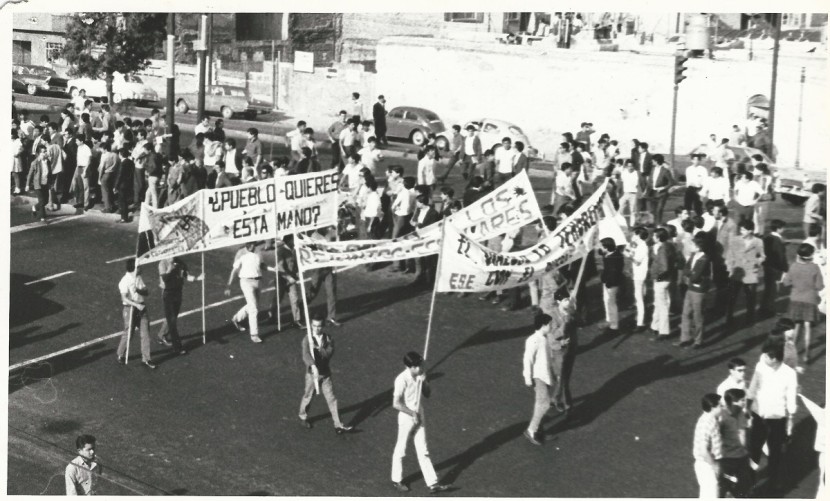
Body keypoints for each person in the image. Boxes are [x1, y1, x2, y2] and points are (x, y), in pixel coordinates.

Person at [391, 351, 450, 493]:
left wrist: (425, 381)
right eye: (416, 366)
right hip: (406, 417)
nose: (419, 368)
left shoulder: (420, 375)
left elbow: (428, 394)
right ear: (408, 366)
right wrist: (412, 414)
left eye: (420, 365)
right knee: (401, 449)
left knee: (423, 450)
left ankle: (433, 483)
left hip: (419, 413)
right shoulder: (401, 380)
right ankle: (396, 480)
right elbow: (396, 404)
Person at [747, 340, 798, 492]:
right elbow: (752, 387)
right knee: (754, 450)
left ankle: (773, 482)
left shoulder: (790, 374)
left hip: (777, 419)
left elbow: (791, 400)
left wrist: (790, 425)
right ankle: (750, 479)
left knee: (775, 452)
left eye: (766, 356)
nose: (763, 357)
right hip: (759, 416)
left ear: (774, 358)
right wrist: (748, 410)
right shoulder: (760, 366)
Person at [298, 312, 352, 434]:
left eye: (319, 326)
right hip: (312, 374)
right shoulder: (307, 339)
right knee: (308, 396)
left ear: (323, 326)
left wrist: (318, 350)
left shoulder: (328, 339)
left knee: (332, 398)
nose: (316, 329)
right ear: (311, 325)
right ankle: (303, 416)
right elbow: (305, 354)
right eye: (314, 326)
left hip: (325, 374)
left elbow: (328, 353)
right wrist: (313, 365)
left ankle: (338, 424)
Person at [782, 243, 824, 365]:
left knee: (796, 327)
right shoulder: (815, 267)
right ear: (810, 255)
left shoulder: (794, 266)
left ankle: (791, 353)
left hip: (795, 299)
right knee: (807, 328)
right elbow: (819, 286)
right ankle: (806, 355)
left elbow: (786, 282)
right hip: (810, 300)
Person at [156, 257, 202, 356]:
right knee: (172, 321)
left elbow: (187, 276)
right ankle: (178, 347)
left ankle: (161, 335)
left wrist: (198, 278)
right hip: (168, 293)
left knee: (172, 318)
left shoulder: (180, 262)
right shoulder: (163, 263)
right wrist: (170, 268)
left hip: (178, 292)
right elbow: (165, 278)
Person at [116, 259, 156, 369]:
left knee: (145, 334)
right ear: (134, 269)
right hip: (130, 309)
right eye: (139, 266)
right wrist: (136, 305)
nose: (141, 268)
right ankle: (120, 354)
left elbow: (146, 292)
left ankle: (146, 359)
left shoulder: (138, 278)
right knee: (129, 333)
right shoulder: (124, 281)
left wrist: (138, 290)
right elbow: (124, 298)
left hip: (141, 307)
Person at [724, 220, 765, 326]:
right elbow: (729, 256)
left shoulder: (758, 242)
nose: (741, 232)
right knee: (732, 297)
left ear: (750, 230)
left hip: (751, 273)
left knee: (750, 298)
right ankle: (729, 319)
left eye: (744, 230)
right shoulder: (735, 240)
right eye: (741, 229)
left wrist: (756, 262)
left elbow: (762, 256)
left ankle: (749, 320)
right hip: (737, 272)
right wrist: (729, 269)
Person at [225, 242, 267, 343]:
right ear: (249, 247)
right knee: (253, 309)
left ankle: (236, 318)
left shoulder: (258, 256)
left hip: (257, 281)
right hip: (246, 282)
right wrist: (228, 285)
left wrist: (274, 269)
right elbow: (234, 271)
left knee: (253, 305)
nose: (254, 247)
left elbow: (263, 267)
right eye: (252, 245)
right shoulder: (242, 256)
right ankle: (254, 334)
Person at [522, 313, 554, 446]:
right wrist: (527, 377)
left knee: (540, 403)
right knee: (545, 404)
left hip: (545, 375)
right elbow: (527, 359)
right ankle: (531, 430)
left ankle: (538, 430)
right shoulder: (534, 340)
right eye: (549, 324)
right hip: (539, 377)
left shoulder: (544, 338)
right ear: (543, 325)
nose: (551, 326)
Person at [677, 235, 710, 348]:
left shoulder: (704, 259)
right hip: (691, 288)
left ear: (698, 247)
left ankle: (698, 340)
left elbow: (695, 276)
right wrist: (691, 273)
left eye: (692, 244)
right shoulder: (693, 256)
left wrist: (690, 274)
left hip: (699, 291)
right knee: (686, 313)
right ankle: (685, 338)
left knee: (698, 316)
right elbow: (686, 269)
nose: (690, 246)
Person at [719, 388, 753, 498]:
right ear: (734, 402)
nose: (744, 403)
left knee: (744, 485)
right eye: (742, 400)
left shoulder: (741, 414)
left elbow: (742, 434)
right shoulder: (721, 416)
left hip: (741, 457)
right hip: (727, 458)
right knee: (723, 488)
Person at [693, 393, 723, 498]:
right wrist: (714, 466)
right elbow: (703, 451)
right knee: (711, 496)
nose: (722, 408)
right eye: (720, 406)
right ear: (712, 407)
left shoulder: (712, 420)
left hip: (709, 463)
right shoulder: (706, 423)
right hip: (706, 465)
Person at [308, 227, 340, 326]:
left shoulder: (333, 233)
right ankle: (301, 307)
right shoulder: (313, 236)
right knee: (313, 292)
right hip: (318, 268)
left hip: (329, 267)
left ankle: (331, 317)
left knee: (331, 293)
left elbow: (338, 247)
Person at [649, 228, 675, 341]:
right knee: (660, 303)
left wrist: (657, 278)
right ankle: (655, 326)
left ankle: (663, 331)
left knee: (662, 305)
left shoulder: (662, 249)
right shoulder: (668, 246)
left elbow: (664, 267)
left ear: (658, 237)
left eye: (654, 235)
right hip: (666, 279)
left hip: (661, 280)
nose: (653, 237)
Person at [625, 227, 650, 332]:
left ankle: (640, 323)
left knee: (639, 299)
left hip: (640, 276)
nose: (633, 236)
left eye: (635, 234)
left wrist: (628, 256)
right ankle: (638, 319)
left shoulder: (643, 247)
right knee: (639, 298)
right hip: (638, 275)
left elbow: (637, 261)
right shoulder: (639, 245)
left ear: (639, 235)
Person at [761, 219, 788, 314]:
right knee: (773, 290)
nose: (784, 229)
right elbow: (780, 256)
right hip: (776, 268)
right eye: (783, 228)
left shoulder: (767, 237)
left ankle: (764, 308)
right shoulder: (778, 240)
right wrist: (785, 269)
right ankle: (770, 309)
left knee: (768, 288)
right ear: (778, 229)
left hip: (768, 266)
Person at [600, 237, 624, 335]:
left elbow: (614, 272)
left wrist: (609, 282)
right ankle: (610, 321)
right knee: (607, 301)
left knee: (611, 303)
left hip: (611, 283)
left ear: (606, 247)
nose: (600, 248)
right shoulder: (612, 255)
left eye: (602, 246)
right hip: (609, 282)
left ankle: (614, 326)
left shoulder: (613, 258)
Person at [25, 144, 51, 222]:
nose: (45, 153)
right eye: (43, 152)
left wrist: (51, 182)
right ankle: (43, 218)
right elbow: (30, 174)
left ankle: (35, 208)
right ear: (38, 153)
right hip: (38, 184)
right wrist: (27, 185)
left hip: (45, 183)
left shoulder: (47, 161)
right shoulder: (35, 163)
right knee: (42, 201)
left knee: (46, 201)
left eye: (45, 151)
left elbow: (50, 173)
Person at [646, 154, 674, 224]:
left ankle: (658, 224)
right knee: (652, 210)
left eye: (653, 160)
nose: (652, 162)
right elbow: (650, 180)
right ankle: (654, 223)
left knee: (659, 210)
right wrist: (647, 189)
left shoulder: (665, 171)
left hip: (662, 193)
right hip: (652, 192)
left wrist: (663, 188)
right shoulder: (652, 169)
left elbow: (671, 182)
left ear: (656, 161)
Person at [618, 159, 642, 226]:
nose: (630, 168)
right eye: (628, 166)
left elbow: (640, 184)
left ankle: (632, 225)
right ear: (626, 166)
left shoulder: (637, 173)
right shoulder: (623, 173)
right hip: (625, 193)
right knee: (620, 209)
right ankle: (621, 224)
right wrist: (618, 192)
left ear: (634, 166)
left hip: (634, 194)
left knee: (633, 211)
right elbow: (620, 182)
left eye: (631, 166)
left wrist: (640, 193)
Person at [113, 148, 134, 223]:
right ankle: (124, 217)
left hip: (122, 184)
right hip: (129, 183)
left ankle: (124, 218)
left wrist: (115, 186)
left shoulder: (122, 163)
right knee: (125, 201)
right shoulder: (130, 162)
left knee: (122, 202)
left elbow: (120, 175)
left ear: (120, 154)